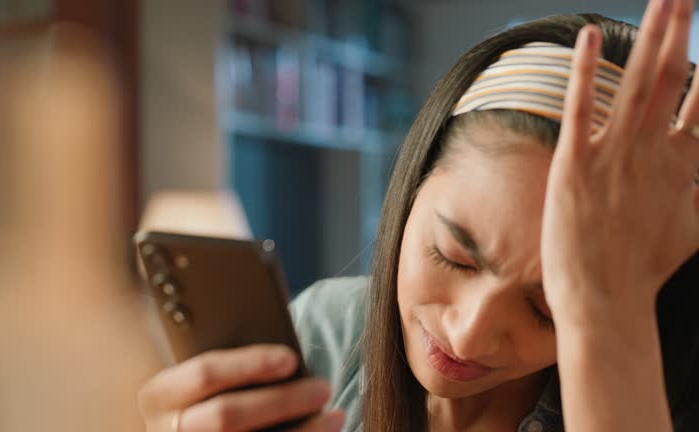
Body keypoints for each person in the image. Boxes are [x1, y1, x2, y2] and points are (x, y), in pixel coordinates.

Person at [137, 2, 699, 431]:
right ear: (414, 183)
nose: (469, 331)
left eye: (549, 308)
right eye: (452, 254)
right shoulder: (327, 338)